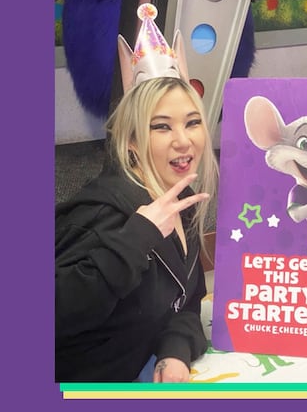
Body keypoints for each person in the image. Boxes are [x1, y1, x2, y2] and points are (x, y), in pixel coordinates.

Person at [55, 75, 219, 382]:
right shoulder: (102, 215)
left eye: (193, 122)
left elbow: (186, 301)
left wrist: (175, 350)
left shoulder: (181, 202)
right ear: (131, 140)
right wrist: (137, 238)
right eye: (161, 126)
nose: (184, 140)